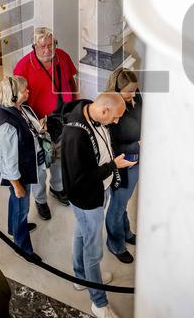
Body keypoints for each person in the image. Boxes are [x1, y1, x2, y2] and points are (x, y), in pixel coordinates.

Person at [60, 92, 137, 318]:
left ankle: (81, 277)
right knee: (93, 251)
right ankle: (98, 302)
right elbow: (80, 179)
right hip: (87, 198)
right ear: (104, 111)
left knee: (81, 234)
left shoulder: (90, 110)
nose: (116, 122)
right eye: (115, 117)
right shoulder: (76, 135)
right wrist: (113, 166)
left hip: (98, 190)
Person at [13, 26, 76, 208]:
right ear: (34, 46)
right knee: (39, 165)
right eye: (43, 46)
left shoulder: (62, 56)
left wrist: (73, 106)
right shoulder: (23, 66)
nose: (48, 50)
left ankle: (57, 188)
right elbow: (16, 99)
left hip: (62, 118)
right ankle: (40, 199)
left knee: (60, 158)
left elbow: (71, 81)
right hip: (38, 125)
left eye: (51, 45)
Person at [0, 76, 47, 256]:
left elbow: (26, 130)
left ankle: (13, 229)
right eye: (24, 90)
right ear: (13, 95)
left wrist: (39, 128)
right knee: (22, 208)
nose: (28, 91)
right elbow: (8, 161)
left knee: (16, 203)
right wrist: (17, 185)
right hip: (18, 175)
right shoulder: (7, 126)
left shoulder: (19, 108)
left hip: (24, 167)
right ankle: (22, 247)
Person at [104, 68, 142, 264]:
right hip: (122, 161)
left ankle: (126, 233)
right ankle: (115, 244)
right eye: (129, 91)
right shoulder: (111, 108)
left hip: (137, 160)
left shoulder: (135, 96)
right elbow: (111, 144)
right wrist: (137, 145)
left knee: (123, 202)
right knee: (117, 206)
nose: (133, 94)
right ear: (117, 90)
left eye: (135, 89)